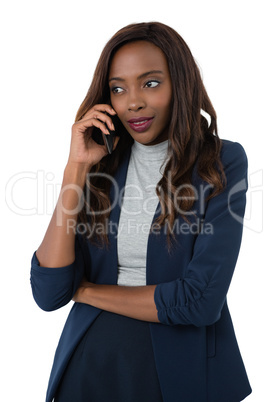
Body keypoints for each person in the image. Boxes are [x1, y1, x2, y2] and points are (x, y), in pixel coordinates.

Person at [30, 22, 252, 402]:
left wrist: (84, 291)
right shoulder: (101, 167)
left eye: (150, 83)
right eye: (118, 88)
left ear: (180, 83)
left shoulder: (221, 162)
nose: (132, 102)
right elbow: (49, 292)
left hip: (181, 372)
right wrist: (76, 169)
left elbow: (199, 302)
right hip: (89, 368)